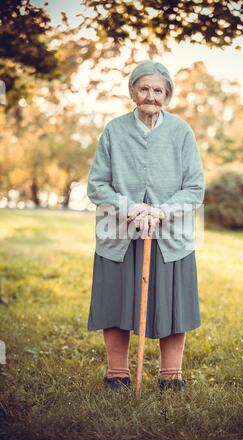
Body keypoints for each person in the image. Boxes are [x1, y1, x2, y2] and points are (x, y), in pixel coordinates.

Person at [86, 60, 205, 391]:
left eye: (158, 90)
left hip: (170, 234)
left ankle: (171, 375)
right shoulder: (114, 129)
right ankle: (117, 373)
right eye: (144, 88)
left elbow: (195, 187)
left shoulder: (181, 131)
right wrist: (131, 208)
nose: (151, 95)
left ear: (167, 94)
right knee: (116, 301)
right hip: (119, 232)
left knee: (173, 303)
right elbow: (97, 185)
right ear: (132, 92)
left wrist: (161, 212)